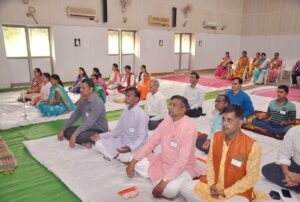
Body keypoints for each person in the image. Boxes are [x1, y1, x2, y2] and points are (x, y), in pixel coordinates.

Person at [126, 95, 202, 199]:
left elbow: (182, 161)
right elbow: (152, 142)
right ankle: (158, 179)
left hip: (183, 168)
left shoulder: (189, 128)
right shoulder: (167, 120)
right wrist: (133, 162)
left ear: (183, 110)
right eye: (170, 104)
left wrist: (164, 181)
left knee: (170, 191)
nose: (170, 107)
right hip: (162, 162)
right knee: (132, 159)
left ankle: (160, 180)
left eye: (174, 105)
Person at [181, 105, 261, 202]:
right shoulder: (217, 136)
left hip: (236, 191)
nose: (224, 123)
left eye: (229, 120)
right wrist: (211, 184)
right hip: (215, 184)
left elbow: (252, 178)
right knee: (185, 188)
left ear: (240, 123)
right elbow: (210, 163)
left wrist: (225, 192)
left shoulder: (252, 145)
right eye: (223, 119)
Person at [90, 87, 148, 163]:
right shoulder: (125, 111)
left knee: (125, 157)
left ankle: (119, 155)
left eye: (129, 96)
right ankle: (117, 155)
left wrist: (130, 147)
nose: (126, 98)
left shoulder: (141, 114)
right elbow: (117, 131)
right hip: (122, 140)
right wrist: (100, 136)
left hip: (135, 144)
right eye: (126, 96)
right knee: (98, 143)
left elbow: (142, 138)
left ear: (136, 99)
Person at [58, 78, 108, 148]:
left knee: (79, 136)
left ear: (91, 89)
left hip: (98, 129)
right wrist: (63, 129)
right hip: (87, 128)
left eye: (83, 88)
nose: (81, 90)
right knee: (66, 130)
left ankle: (92, 139)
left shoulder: (97, 103)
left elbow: (89, 122)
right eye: (80, 87)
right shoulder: (83, 99)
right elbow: (75, 115)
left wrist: (74, 135)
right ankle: (86, 142)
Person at [262, 126, 300, 193]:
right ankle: (292, 181)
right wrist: (286, 172)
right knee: (267, 170)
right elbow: (284, 154)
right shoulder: (294, 131)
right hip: (297, 164)